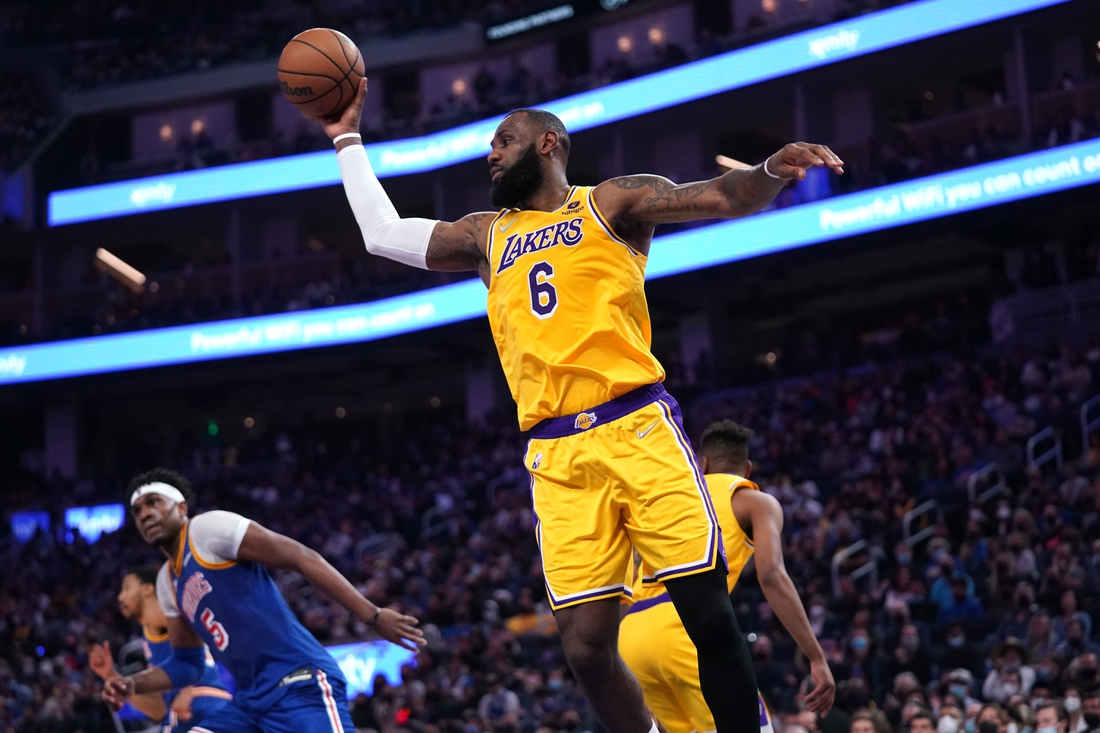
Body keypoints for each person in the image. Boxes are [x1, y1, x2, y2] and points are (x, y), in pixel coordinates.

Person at [316, 76, 844, 733]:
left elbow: (718, 194)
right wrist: (346, 139)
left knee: (706, 612)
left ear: (549, 143)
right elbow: (383, 233)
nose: (491, 153)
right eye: (489, 144)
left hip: (637, 427)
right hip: (557, 453)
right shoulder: (486, 234)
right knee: (587, 650)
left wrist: (769, 168)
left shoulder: (612, 201)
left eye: (503, 141)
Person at [102, 468, 425, 732]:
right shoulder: (166, 581)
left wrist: (372, 614)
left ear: (181, 507)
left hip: (298, 682)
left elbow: (301, 556)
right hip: (249, 704)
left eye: (154, 502)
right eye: (138, 510)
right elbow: (187, 664)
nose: (145, 514)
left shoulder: (206, 529)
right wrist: (131, 684)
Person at [618, 421, 835, 733]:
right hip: (686, 626)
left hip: (633, 635)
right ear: (747, 469)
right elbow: (772, 575)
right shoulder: (754, 501)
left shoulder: (669, 497)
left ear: (702, 464)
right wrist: (815, 656)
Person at [89, 566, 231, 731]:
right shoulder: (150, 636)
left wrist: (188, 689)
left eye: (127, 588)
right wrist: (111, 675)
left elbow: (193, 619)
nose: (120, 597)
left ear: (147, 589)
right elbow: (159, 711)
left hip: (205, 702)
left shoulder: (169, 614)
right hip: (185, 715)